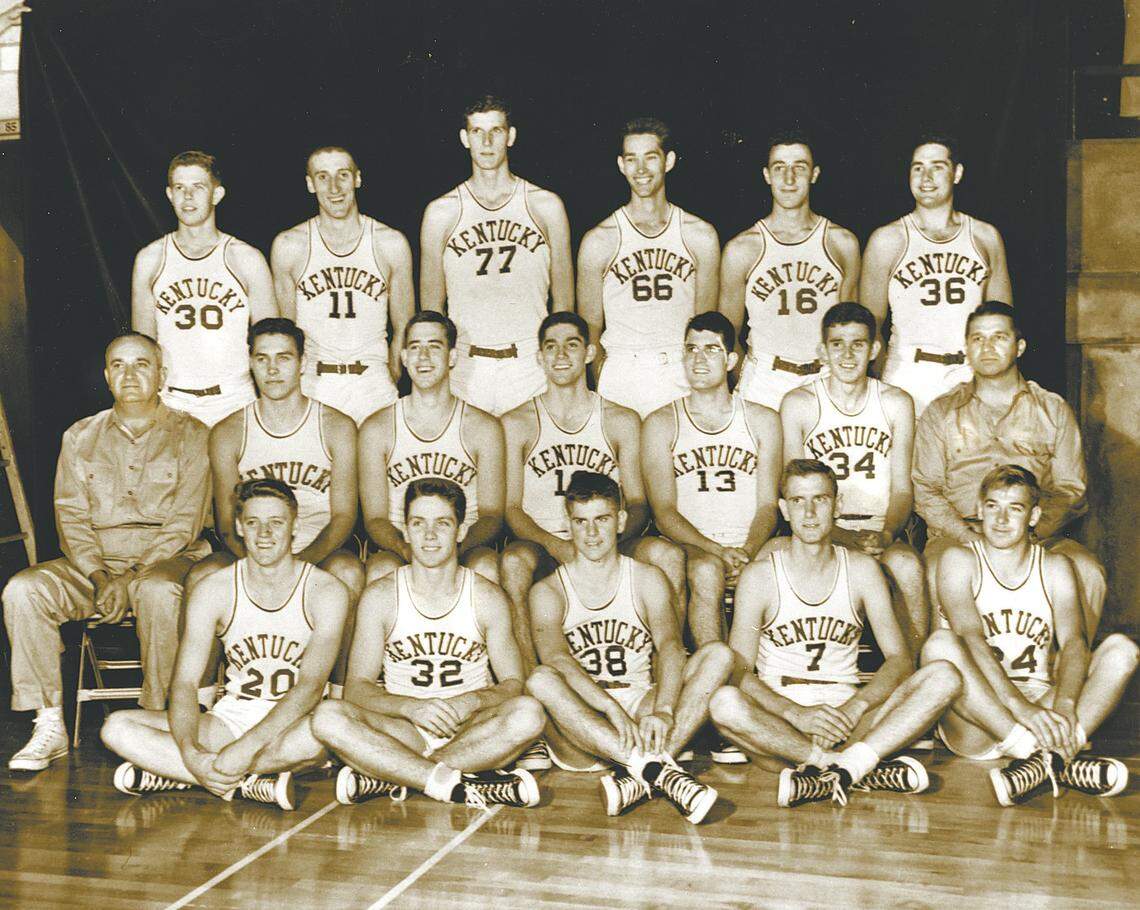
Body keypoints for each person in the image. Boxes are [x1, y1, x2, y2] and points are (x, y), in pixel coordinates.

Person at [3, 334, 210, 771]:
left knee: (157, 591)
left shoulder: (192, 433)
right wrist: (100, 577)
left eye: (141, 364)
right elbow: (71, 518)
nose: (130, 375)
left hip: (166, 561)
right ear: (106, 376)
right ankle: (50, 723)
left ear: (161, 375)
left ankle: (159, 719)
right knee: (24, 590)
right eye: (119, 365)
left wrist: (130, 576)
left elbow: (184, 523)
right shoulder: (80, 436)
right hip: (95, 564)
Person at [708, 459, 962, 807]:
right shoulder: (760, 576)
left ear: (837, 505)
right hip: (784, 727)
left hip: (848, 719)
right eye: (798, 501)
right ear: (784, 509)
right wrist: (793, 713)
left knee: (944, 676)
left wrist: (855, 708)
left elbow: (899, 659)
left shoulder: (863, 570)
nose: (809, 512)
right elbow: (737, 670)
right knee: (723, 703)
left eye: (821, 499)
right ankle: (851, 768)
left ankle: (825, 772)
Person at [100, 479, 348, 810]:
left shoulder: (325, 590)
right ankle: (243, 783)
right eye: (253, 523)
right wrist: (191, 753)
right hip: (230, 720)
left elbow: (310, 687)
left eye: (276, 523)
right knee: (116, 727)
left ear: (295, 527)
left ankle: (177, 774)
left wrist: (244, 749)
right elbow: (186, 684)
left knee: (324, 733)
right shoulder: (214, 588)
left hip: (294, 724)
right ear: (238, 527)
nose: (264, 534)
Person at [309, 477, 544, 810]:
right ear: (405, 530)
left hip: (470, 730)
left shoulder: (487, 597)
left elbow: (513, 685)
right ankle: (453, 779)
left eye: (442, 524)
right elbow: (357, 689)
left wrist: (471, 701)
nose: (429, 536)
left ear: (461, 531)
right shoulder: (381, 597)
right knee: (327, 716)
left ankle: (392, 774)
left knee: (529, 713)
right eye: (418, 524)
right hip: (406, 729)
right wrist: (410, 707)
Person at [920, 465, 1138, 805]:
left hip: (1041, 705)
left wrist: (1064, 703)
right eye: (992, 506)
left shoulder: (1055, 567)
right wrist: (1018, 707)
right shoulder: (959, 559)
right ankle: (1052, 757)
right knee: (941, 645)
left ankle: (1043, 762)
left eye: (1015, 508)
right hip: (979, 715)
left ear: (1034, 516)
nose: (1001, 519)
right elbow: (970, 637)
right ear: (979, 510)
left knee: (1121, 650)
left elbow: (1074, 644)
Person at [526, 471, 734, 824]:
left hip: (642, 712)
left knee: (719, 655)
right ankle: (658, 769)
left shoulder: (646, 578)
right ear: (569, 525)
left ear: (621, 520)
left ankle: (640, 774)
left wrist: (665, 708)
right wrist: (608, 708)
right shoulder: (548, 590)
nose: (591, 533)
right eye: (581, 522)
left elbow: (669, 646)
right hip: (584, 723)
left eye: (602, 519)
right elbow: (557, 659)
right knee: (540, 680)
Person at [499, 311, 685, 667]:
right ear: (539, 357)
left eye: (572, 344)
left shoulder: (621, 420)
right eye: (550, 347)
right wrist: (560, 546)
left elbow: (637, 502)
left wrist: (605, 544)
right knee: (512, 562)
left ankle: (668, 675)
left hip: (607, 536)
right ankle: (526, 679)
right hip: (546, 542)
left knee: (668, 556)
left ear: (589, 353)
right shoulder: (516, 422)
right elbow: (512, 509)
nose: (561, 355)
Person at [913, 301, 1106, 639]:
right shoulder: (941, 412)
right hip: (961, 533)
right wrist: (968, 536)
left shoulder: (1052, 409)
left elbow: (1070, 489)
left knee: (1087, 570)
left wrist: (1029, 532)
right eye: (977, 339)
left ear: (1019, 347)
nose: (986, 348)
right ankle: (946, 678)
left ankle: (1067, 678)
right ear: (967, 348)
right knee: (936, 570)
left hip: (1036, 535)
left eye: (998, 337)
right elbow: (926, 491)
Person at [779, 302, 927, 653]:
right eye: (837, 344)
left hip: (880, 528)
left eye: (858, 344)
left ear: (874, 349)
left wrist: (887, 533)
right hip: (820, 530)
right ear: (822, 351)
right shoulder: (799, 403)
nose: (847, 355)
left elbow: (903, 488)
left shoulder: (896, 403)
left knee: (907, 565)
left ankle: (918, 669)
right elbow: (794, 489)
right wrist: (842, 534)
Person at [192, 318, 363, 612]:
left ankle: (344, 660)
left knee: (347, 572)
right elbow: (226, 523)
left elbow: (344, 516)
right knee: (202, 575)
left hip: (318, 549)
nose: (272, 369)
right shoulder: (228, 432)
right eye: (262, 359)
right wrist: (261, 564)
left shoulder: (337, 427)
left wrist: (299, 565)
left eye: (283, 358)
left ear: (302, 363)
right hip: (252, 550)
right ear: (250, 364)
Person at [419, 94, 573, 417]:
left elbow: (564, 306)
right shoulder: (441, 213)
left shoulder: (545, 206)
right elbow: (431, 311)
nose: (487, 142)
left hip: (530, 365)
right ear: (465, 138)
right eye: (477, 132)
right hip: (466, 367)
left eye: (496, 131)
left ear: (511, 136)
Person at [642, 312, 781, 646]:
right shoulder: (661, 423)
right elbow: (664, 512)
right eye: (690, 349)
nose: (698, 359)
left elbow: (767, 504)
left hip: (750, 544)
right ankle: (716, 677)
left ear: (732, 360)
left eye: (711, 349)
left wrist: (746, 551)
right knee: (706, 570)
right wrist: (716, 550)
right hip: (693, 547)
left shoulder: (762, 420)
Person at [579, 117, 721, 418]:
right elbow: (590, 325)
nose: (641, 170)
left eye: (650, 158)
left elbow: (706, 322)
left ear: (668, 161)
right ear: (621, 165)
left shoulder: (700, 235)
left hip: (679, 369)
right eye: (632, 159)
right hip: (621, 370)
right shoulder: (600, 240)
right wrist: (604, 371)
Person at [861, 135, 1012, 415]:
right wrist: (885, 380)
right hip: (909, 373)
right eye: (917, 167)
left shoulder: (984, 236)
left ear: (957, 173)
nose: (926, 177)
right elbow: (869, 326)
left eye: (937, 167)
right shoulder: (888, 239)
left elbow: (1003, 321)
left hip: (971, 372)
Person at [270, 145, 414, 425]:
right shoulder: (290, 245)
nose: (334, 187)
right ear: (310, 184)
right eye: (323, 177)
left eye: (343, 175)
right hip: (315, 382)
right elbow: (285, 332)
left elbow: (404, 328)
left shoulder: (389, 243)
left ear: (357, 179)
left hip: (373, 383)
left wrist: (390, 374)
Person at [132, 151, 277, 427]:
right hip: (174, 401)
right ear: (169, 194)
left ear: (217, 194)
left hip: (234, 398)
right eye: (179, 188)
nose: (188, 197)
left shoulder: (246, 259)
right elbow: (143, 348)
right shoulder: (150, 260)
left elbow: (271, 343)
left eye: (197, 187)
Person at [718, 130, 861, 410]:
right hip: (764, 379)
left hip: (826, 375)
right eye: (779, 168)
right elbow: (727, 335)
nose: (789, 178)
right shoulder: (743, 248)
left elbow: (852, 329)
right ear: (766, 175)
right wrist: (749, 376)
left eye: (799, 167)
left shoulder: (841, 243)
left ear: (815, 174)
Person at [358, 311, 504, 584]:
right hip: (403, 546)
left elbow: (492, 515)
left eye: (434, 347)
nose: (423, 357)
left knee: (486, 566)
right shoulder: (376, 428)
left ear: (452, 357)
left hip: (463, 544)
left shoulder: (483, 427)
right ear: (403, 358)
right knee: (380, 570)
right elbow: (376, 519)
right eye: (415, 347)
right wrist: (407, 549)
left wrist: (456, 549)